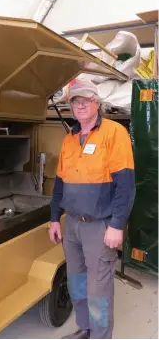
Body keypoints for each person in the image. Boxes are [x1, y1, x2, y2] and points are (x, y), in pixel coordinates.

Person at [49, 79, 136, 339]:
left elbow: (126, 185)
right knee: (77, 284)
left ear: (96, 103)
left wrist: (117, 225)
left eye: (86, 100)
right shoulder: (69, 138)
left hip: (100, 226)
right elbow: (60, 183)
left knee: (98, 288)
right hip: (72, 224)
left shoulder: (114, 133)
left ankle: (100, 336)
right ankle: (85, 329)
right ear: (71, 107)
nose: (81, 105)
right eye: (76, 101)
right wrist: (55, 219)